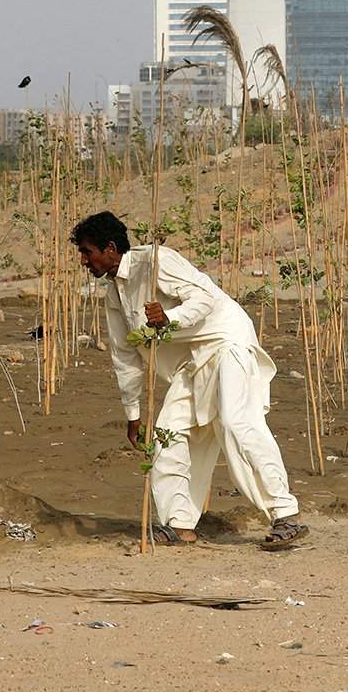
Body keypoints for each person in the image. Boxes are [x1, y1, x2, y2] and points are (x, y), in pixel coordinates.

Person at [71, 209, 307, 550]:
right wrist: (133, 415)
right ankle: (179, 525)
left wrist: (169, 319)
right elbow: (125, 356)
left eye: (87, 252)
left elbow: (205, 299)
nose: (84, 261)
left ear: (110, 248)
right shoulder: (114, 296)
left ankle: (285, 515)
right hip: (191, 363)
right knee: (167, 435)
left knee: (236, 422)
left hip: (226, 342)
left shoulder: (156, 261)